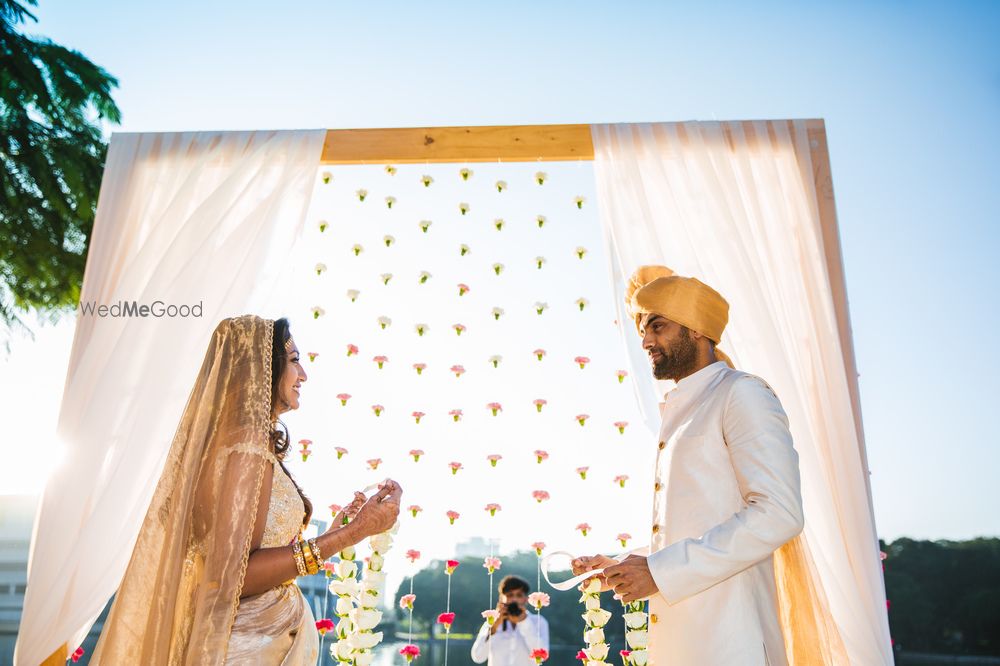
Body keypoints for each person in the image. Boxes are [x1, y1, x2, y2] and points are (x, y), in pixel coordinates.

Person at [90, 315, 402, 664]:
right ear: (261, 367)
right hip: (244, 649)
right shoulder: (246, 450)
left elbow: (249, 552)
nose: (304, 375)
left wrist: (335, 531)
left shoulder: (237, 448)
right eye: (295, 360)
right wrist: (354, 534)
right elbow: (234, 576)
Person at [572, 265, 835, 665]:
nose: (645, 341)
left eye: (657, 326)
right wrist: (624, 566)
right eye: (643, 329)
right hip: (682, 641)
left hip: (733, 641)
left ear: (696, 328)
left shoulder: (741, 394)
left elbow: (779, 513)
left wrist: (659, 572)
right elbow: (696, 525)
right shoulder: (681, 411)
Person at [471, 575, 550, 666]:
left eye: (519, 595)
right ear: (501, 598)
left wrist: (524, 622)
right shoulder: (491, 623)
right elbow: (478, 657)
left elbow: (542, 655)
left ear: (525, 599)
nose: (514, 599)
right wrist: (493, 628)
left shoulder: (538, 621)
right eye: (509, 595)